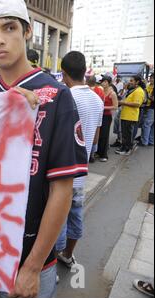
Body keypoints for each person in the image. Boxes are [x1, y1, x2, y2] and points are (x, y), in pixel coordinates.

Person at [0, 0, 87, 298]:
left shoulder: (56, 95)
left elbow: (62, 190)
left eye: (9, 28)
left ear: (28, 31)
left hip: (27, 258)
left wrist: (32, 267)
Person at [56, 51, 104, 270]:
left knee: (56, 220)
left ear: (64, 74)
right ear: (85, 72)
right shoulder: (97, 99)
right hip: (81, 172)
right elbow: (95, 136)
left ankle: (50, 267)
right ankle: (68, 255)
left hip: (62, 173)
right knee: (75, 215)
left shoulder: (65, 97)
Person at [115, 75, 145, 156]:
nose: (129, 82)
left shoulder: (139, 91)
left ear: (137, 82)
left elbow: (137, 104)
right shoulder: (133, 90)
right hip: (126, 115)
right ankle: (123, 147)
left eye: (131, 81)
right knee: (124, 134)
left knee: (128, 134)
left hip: (130, 116)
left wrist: (123, 102)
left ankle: (127, 150)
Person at [97, 75, 119, 162]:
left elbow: (115, 106)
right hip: (99, 115)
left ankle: (104, 154)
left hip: (106, 116)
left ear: (109, 83)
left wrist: (103, 107)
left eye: (105, 81)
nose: (103, 83)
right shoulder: (101, 91)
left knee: (104, 135)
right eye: (102, 81)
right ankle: (98, 152)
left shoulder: (112, 93)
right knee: (98, 134)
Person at [87, 75, 105, 162]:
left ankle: (89, 154)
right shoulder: (100, 90)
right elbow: (103, 101)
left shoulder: (86, 90)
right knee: (94, 133)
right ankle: (92, 154)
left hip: (87, 113)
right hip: (97, 113)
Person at [139, 73, 154, 146]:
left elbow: (152, 98)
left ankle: (144, 141)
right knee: (150, 125)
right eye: (150, 78)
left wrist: (147, 95)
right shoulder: (149, 85)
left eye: (152, 78)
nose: (151, 79)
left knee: (147, 125)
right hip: (147, 107)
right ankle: (151, 141)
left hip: (151, 108)